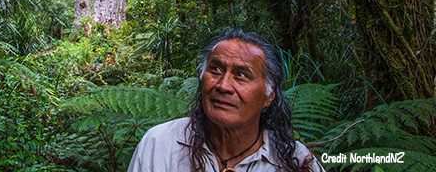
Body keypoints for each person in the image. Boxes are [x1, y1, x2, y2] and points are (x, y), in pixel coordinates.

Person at [127, 28, 325, 172]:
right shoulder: (161, 144)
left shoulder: (296, 161)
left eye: (241, 75)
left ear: (269, 95)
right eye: (216, 69)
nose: (223, 85)